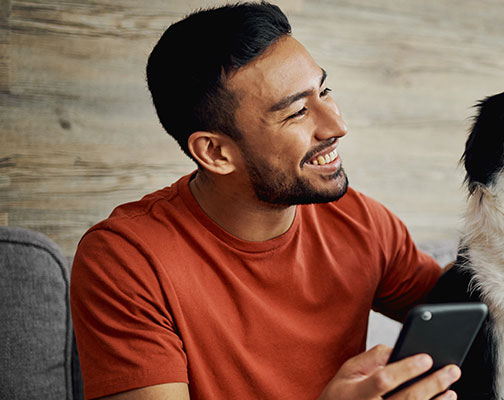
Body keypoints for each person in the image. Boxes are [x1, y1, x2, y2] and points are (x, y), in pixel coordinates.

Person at [69, 2, 461, 399]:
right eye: (296, 112)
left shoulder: (361, 222)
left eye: (324, 91)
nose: (337, 126)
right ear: (216, 153)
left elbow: (474, 310)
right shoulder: (126, 260)